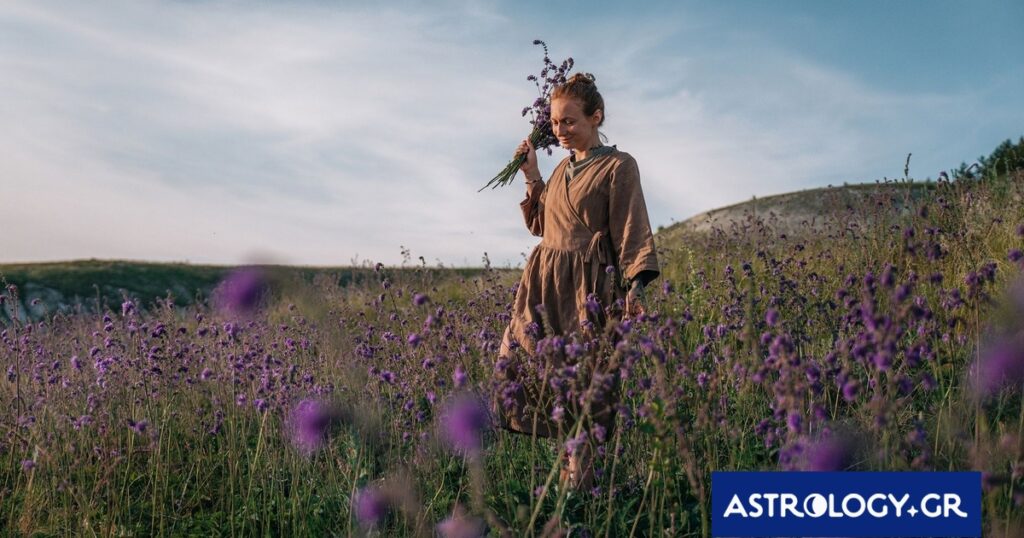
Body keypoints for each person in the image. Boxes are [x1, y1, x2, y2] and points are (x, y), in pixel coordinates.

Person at [492, 72, 660, 488]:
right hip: (543, 286)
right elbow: (540, 224)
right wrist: (532, 173)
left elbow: (631, 227)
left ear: (596, 116)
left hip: (589, 289)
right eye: (554, 122)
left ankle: (578, 494)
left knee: (584, 389)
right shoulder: (563, 169)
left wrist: (635, 285)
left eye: (569, 121)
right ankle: (573, 490)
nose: (560, 130)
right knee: (525, 369)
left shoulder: (619, 165)